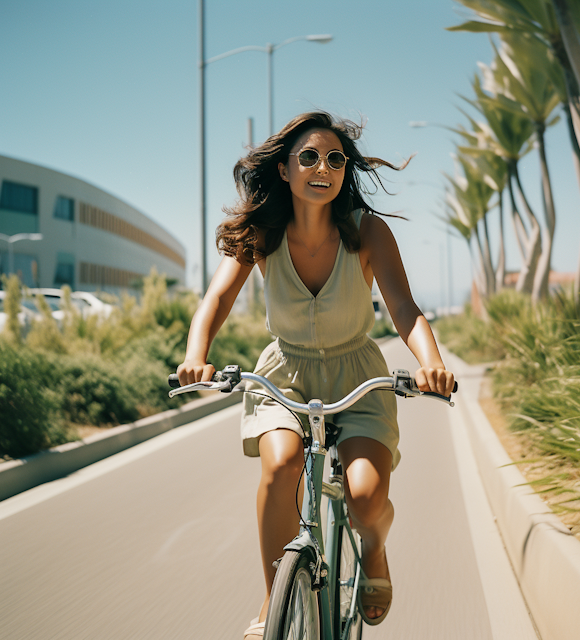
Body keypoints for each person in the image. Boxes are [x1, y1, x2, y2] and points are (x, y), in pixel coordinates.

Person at [177, 111, 455, 639]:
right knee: (280, 467)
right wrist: (197, 354)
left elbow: (404, 307)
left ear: (345, 170)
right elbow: (216, 297)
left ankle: (373, 551)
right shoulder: (262, 233)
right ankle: (272, 600)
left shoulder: (367, 230)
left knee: (367, 497)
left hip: (358, 374)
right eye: (309, 157)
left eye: (335, 158)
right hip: (286, 373)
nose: (322, 167)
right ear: (285, 169)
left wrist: (431, 364)